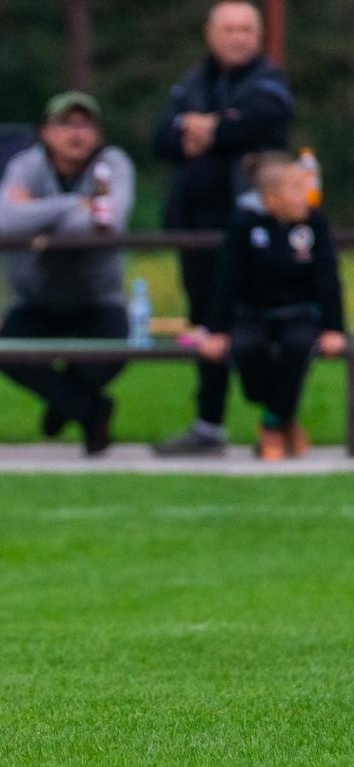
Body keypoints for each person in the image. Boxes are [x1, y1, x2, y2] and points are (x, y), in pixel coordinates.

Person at [152, 1, 294, 457]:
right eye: (229, 29)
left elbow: (257, 122)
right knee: (207, 328)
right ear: (210, 34)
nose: (238, 38)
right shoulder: (192, 82)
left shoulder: (270, 83)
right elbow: (162, 138)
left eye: (247, 30)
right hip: (198, 227)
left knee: (261, 327)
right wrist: (213, 130)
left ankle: (276, 420)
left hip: (254, 231)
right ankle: (208, 425)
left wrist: (209, 130)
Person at [0, 92, 134, 455]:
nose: (76, 134)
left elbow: (107, 220)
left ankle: (65, 404)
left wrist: (40, 222)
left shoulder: (114, 163)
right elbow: (6, 220)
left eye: (85, 125)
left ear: (99, 134)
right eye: (65, 125)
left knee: (110, 353)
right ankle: (89, 410)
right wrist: (72, 205)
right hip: (37, 299)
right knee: (5, 350)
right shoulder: (27, 164)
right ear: (45, 132)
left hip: (98, 300)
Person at [199, 153, 345, 461]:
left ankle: (270, 425)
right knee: (246, 348)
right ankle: (284, 418)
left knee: (299, 345)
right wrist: (216, 330)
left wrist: (334, 328)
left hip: (299, 312)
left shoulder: (314, 223)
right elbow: (227, 279)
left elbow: (327, 278)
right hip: (253, 314)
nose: (304, 195)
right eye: (295, 187)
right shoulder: (243, 223)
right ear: (271, 197)